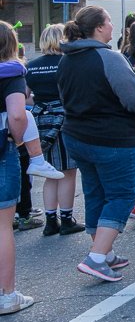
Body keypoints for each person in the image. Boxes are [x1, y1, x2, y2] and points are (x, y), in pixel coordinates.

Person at [58, 6, 135, 282]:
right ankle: (97, 257)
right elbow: (132, 95)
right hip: (112, 136)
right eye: (109, 22)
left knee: (96, 192)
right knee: (123, 194)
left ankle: (104, 251)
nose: (113, 26)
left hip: (76, 134)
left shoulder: (67, 59)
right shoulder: (108, 57)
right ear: (100, 28)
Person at [24, 24, 84, 236]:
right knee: (67, 172)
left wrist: (42, 101)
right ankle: (66, 219)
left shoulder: (31, 65)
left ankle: (51, 221)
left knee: (50, 173)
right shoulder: (67, 63)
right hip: (65, 120)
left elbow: (25, 96)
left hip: (41, 120)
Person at [0, 22, 34, 313]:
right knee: (2, 226)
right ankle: (7, 293)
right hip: (1, 151)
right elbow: (17, 115)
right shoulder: (11, 73)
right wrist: (18, 139)